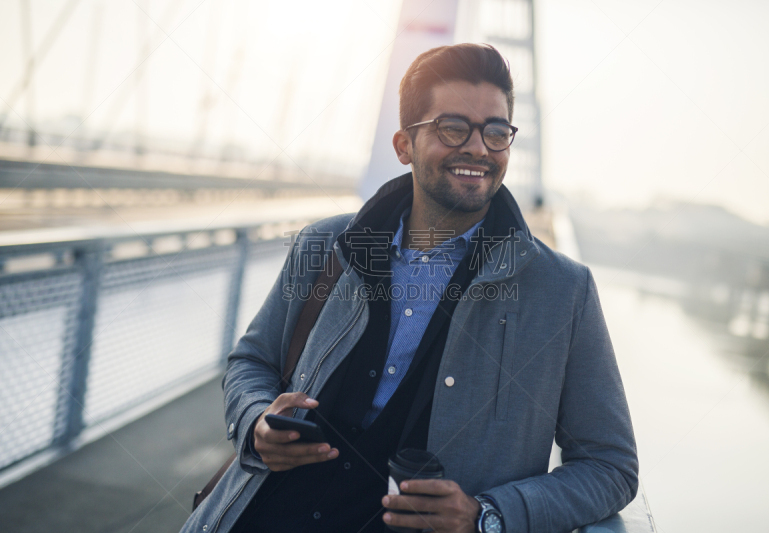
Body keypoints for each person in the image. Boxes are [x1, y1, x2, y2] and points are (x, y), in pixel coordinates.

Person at [181, 43, 638, 533]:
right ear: (403, 146)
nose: (479, 148)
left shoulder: (564, 292)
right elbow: (252, 362)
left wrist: (489, 516)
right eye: (453, 128)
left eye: (497, 131)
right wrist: (255, 424)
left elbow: (610, 467)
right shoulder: (326, 245)